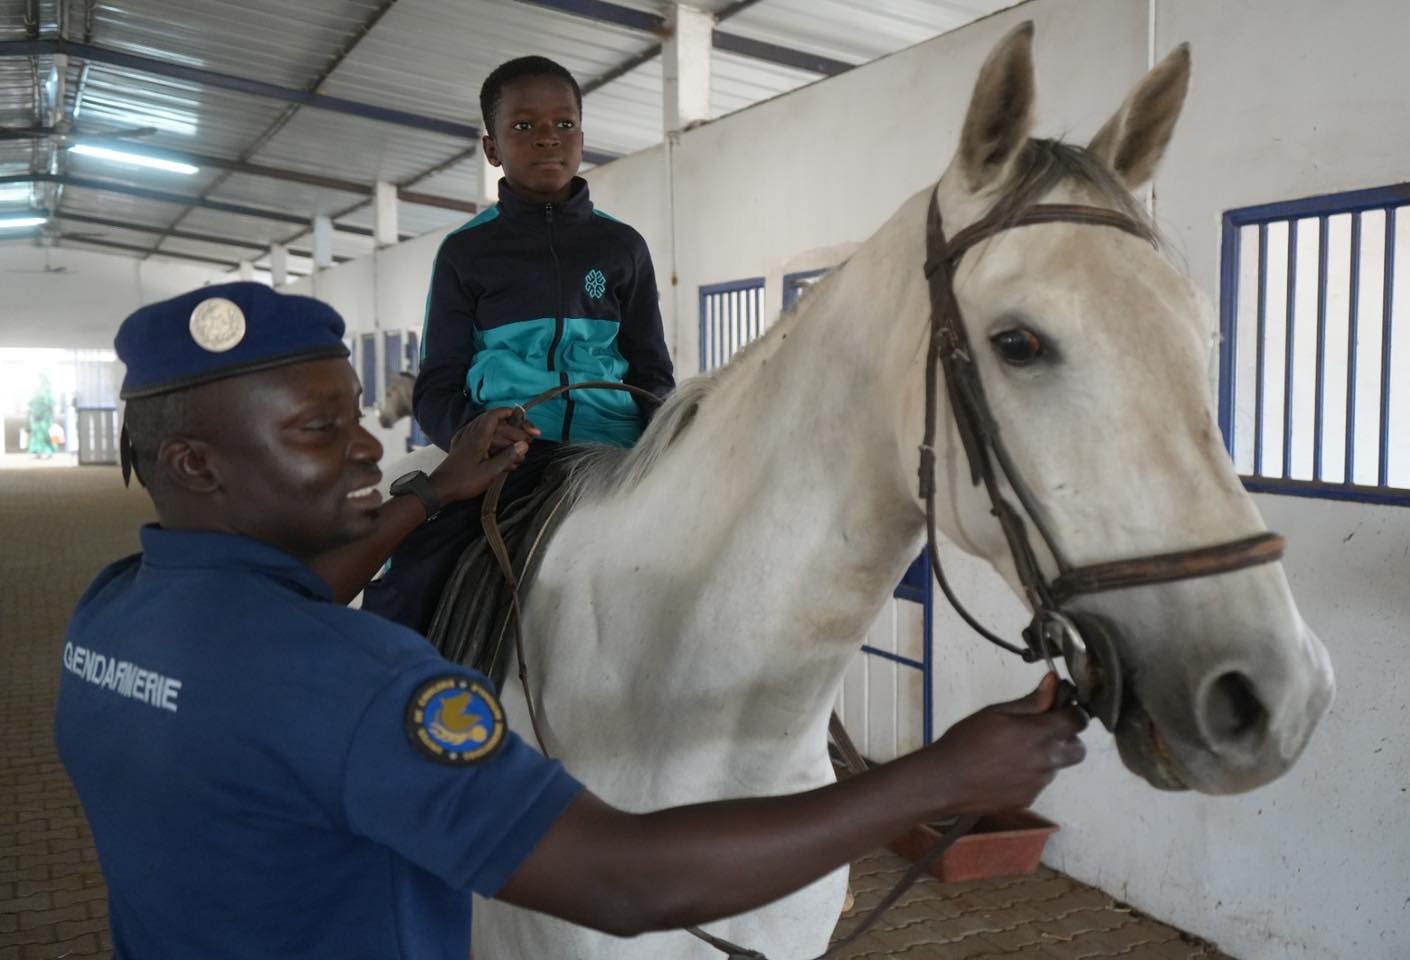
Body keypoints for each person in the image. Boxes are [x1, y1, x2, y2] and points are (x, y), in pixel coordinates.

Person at [55, 282, 1087, 959]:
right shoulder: (367, 686)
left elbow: (287, 610)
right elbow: (623, 883)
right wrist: (943, 778)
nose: (368, 447)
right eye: (321, 431)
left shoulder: (113, 615)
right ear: (195, 463)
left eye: (357, 416)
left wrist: (429, 500)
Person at [362, 55, 675, 634]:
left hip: (617, 450)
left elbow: (653, 370)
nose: (547, 140)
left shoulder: (623, 247)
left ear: (582, 134)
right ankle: (398, 696)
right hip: (511, 456)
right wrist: (472, 433)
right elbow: (437, 384)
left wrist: (667, 434)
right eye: (523, 127)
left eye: (564, 124)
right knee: (411, 577)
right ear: (492, 148)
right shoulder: (466, 253)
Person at [27, 373, 58, 459]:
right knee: (40, 434)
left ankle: (46, 452)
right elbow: (31, 402)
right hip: (40, 414)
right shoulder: (39, 389)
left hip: (43, 415)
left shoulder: (46, 389)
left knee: (43, 434)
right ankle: (41, 452)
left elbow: (51, 403)